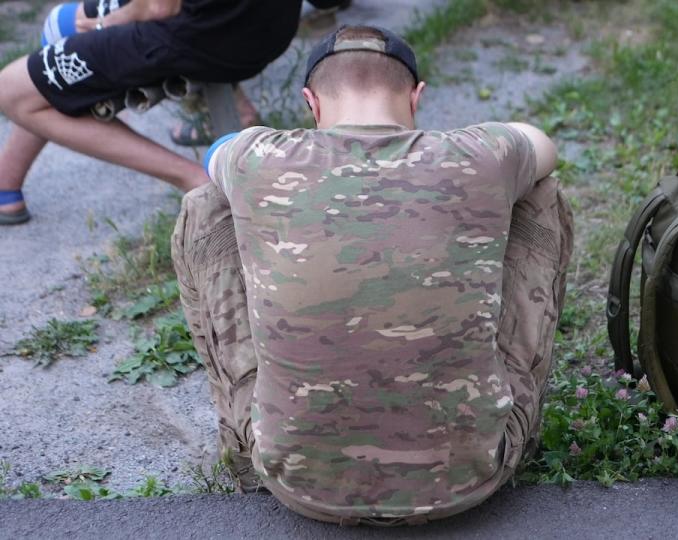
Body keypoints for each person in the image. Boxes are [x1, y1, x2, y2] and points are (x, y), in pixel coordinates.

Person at [172, 25, 574, 525]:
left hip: (294, 480)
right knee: (540, 192)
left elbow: (217, 152)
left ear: (310, 103)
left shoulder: (260, 156)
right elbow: (543, 145)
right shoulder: (479, 154)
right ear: (416, 97)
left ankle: (245, 442)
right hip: (474, 474)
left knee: (208, 204)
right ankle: (503, 408)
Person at [0, 0, 305, 225]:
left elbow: (158, 7)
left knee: (13, 89)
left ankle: (198, 181)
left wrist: (107, 24)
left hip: (205, 37)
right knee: (62, 28)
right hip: (271, 26)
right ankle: (5, 186)